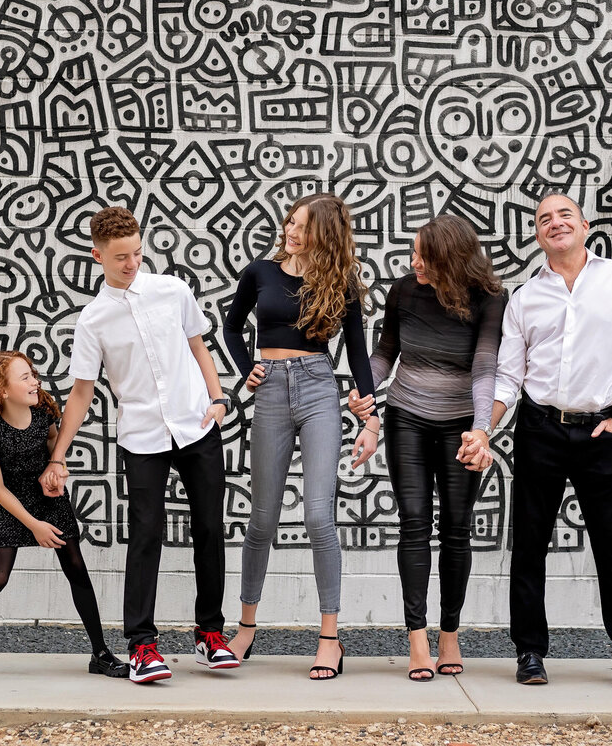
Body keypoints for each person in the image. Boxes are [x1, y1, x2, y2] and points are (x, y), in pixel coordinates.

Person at [39, 207, 238, 684]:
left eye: (137, 253)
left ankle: (210, 634)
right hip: (143, 436)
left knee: (210, 528)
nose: (131, 264)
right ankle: (143, 646)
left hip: (196, 425)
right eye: (121, 257)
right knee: (146, 534)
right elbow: (82, 392)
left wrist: (218, 399)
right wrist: (59, 454)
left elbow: (199, 348)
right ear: (98, 255)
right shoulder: (93, 320)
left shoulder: (173, 291)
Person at [468, 193, 612, 689]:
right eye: (544, 219)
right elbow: (508, 377)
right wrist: (484, 427)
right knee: (529, 543)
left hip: (603, 429)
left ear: (585, 225)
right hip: (540, 428)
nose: (555, 223)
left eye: (564, 215)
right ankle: (529, 652)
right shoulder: (526, 297)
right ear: (537, 235)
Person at [222, 193, 377, 680]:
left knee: (317, 517)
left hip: (317, 389)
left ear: (324, 235)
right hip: (269, 392)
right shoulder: (260, 272)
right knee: (261, 519)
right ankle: (245, 627)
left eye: (304, 226)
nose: (292, 231)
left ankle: (330, 638)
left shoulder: (341, 282)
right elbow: (231, 327)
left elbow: (357, 352)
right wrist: (247, 371)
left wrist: (370, 414)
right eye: (290, 221)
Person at [347, 214, 505, 681]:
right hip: (407, 418)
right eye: (414, 252)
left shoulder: (490, 299)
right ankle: (417, 638)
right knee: (413, 523)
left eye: (425, 255)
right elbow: (385, 353)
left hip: (461, 424)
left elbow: (484, 367)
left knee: (456, 528)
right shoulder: (403, 291)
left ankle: (450, 635)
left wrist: (480, 431)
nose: (414, 261)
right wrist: (364, 387)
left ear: (452, 259)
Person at [0, 350, 128, 680]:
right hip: (12, 505)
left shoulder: (43, 411)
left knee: (77, 568)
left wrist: (57, 470)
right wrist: (34, 525)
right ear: (3, 391)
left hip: (47, 497)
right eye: (25, 377)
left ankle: (100, 654)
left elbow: (55, 445)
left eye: (33, 374)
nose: (35, 381)